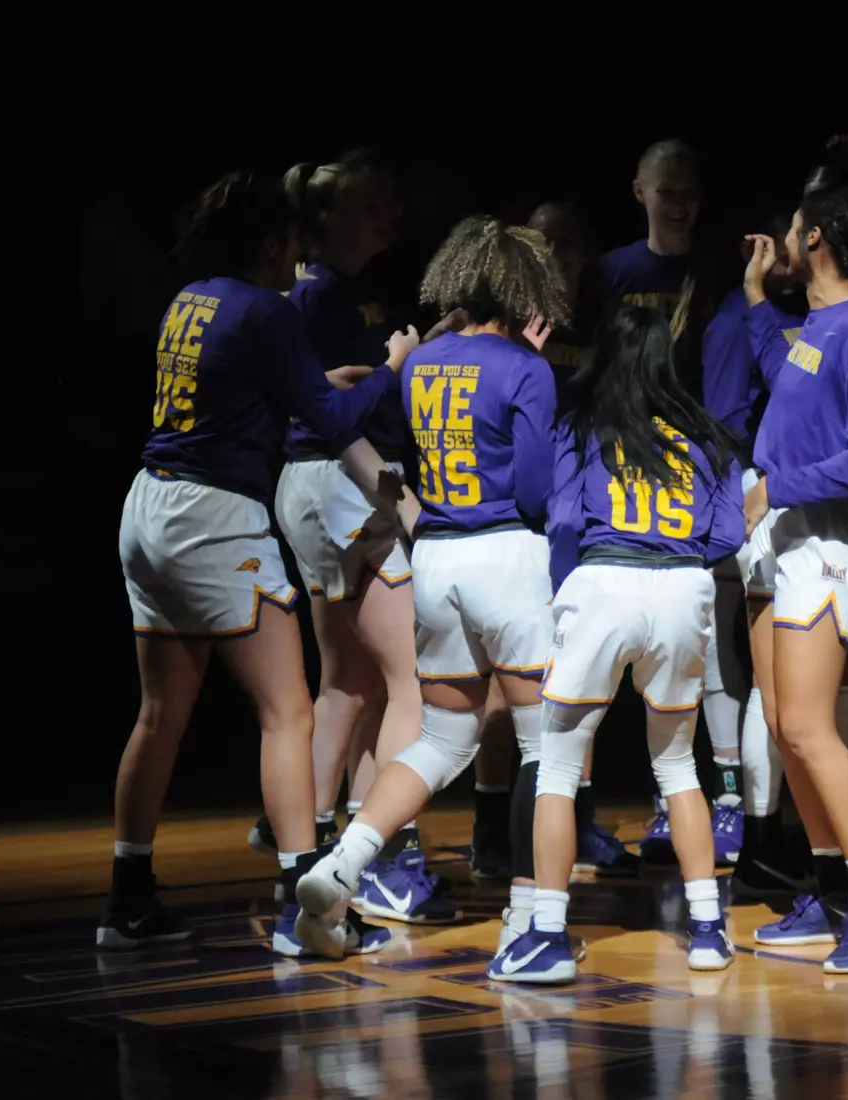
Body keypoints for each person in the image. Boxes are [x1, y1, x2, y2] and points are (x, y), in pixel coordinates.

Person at [101, 168, 413, 956]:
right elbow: (334, 418)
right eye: (293, 248)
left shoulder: (192, 298)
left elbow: (247, 393)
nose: (299, 264)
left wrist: (318, 386)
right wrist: (389, 369)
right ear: (273, 244)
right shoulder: (269, 313)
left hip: (149, 505)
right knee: (290, 710)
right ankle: (305, 909)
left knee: (160, 714)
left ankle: (127, 901)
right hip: (214, 517)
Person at [292, 215, 569, 958]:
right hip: (506, 554)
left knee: (440, 740)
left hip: (436, 558)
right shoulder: (527, 369)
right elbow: (539, 490)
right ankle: (527, 921)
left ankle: (343, 863)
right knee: (547, 747)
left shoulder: (422, 362)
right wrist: (531, 374)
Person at [488, 307, 745, 983]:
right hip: (684, 588)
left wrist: (569, 587)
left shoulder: (584, 424)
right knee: (679, 767)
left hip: (604, 581)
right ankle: (709, 930)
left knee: (557, 767)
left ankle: (546, 935)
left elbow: (564, 516)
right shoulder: (707, 436)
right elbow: (730, 536)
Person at [253, 150, 457, 926]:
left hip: (326, 490)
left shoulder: (354, 292)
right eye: (370, 202)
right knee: (414, 680)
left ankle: (302, 852)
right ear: (327, 217)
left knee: (348, 683)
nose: (388, 213)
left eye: (390, 200)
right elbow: (326, 412)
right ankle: (383, 864)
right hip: (341, 484)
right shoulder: (309, 301)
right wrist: (393, 496)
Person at [741, 185, 848, 973]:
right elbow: (790, 372)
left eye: (789, 225)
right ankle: (833, 891)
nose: (779, 236)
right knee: (786, 729)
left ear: (815, 237)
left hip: (828, 544)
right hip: (786, 540)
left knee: (811, 728)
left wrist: (775, 489)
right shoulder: (816, 326)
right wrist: (755, 303)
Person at [599, 139, 722, 863]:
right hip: (624, 464)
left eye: (690, 193)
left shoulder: (711, 274)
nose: (678, 204)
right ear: (639, 191)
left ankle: (696, 800)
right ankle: (631, 799)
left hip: (695, 459)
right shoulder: (613, 272)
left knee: (694, 646)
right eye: (665, 190)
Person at [526, 200, 640, 878]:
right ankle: (493, 822)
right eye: (545, 243)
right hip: (522, 510)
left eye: (569, 245)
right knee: (514, 677)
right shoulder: (511, 323)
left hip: (582, 509)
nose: (557, 256)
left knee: (578, 671)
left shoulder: (600, 319)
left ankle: (581, 819)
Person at [704, 210, 809, 895]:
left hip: (812, 505)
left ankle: (791, 834)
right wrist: (743, 493)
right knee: (772, 680)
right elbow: (722, 418)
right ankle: (761, 838)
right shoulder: (737, 318)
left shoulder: (822, 316)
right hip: (766, 501)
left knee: (807, 682)